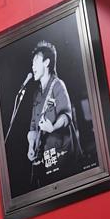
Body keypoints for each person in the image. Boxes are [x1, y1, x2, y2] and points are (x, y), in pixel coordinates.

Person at [26, 41, 82, 186]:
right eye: (32, 63)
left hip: (62, 154)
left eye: (36, 61)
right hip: (45, 156)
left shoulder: (58, 85)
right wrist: (31, 146)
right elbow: (33, 125)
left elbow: (66, 115)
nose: (32, 66)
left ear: (47, 63)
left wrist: (53, 127)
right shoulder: (37, 94)